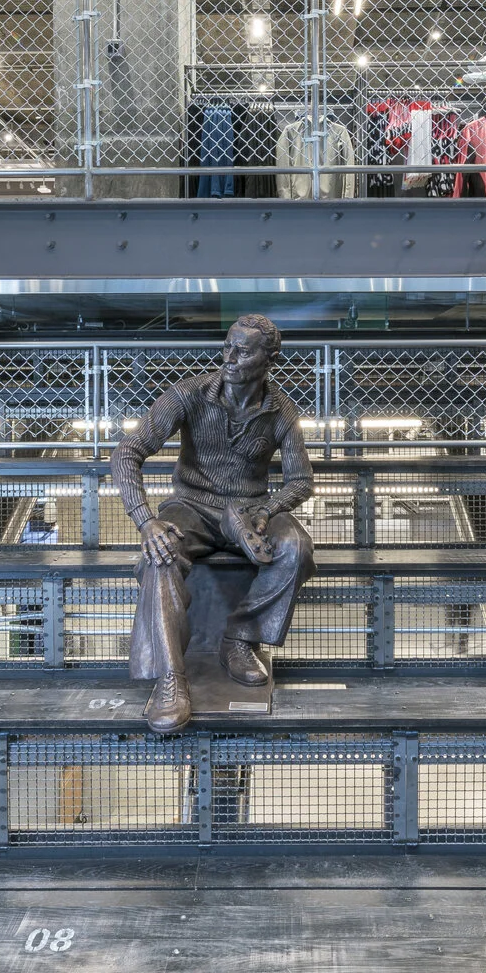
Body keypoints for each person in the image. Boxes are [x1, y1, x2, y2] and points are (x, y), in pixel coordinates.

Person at [109, 314, 316, 732]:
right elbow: (127, 452)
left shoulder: (282, 411)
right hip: (191, 507)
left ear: (270, 358)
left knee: (296, 548)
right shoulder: (188, 394)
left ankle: (239, 639)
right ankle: (171, 678)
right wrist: (145, 520)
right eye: (227, 347)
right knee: (160, 557)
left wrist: (268, 510)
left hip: (250, 511)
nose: (229, 358)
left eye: (243, 351)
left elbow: (301, 481)